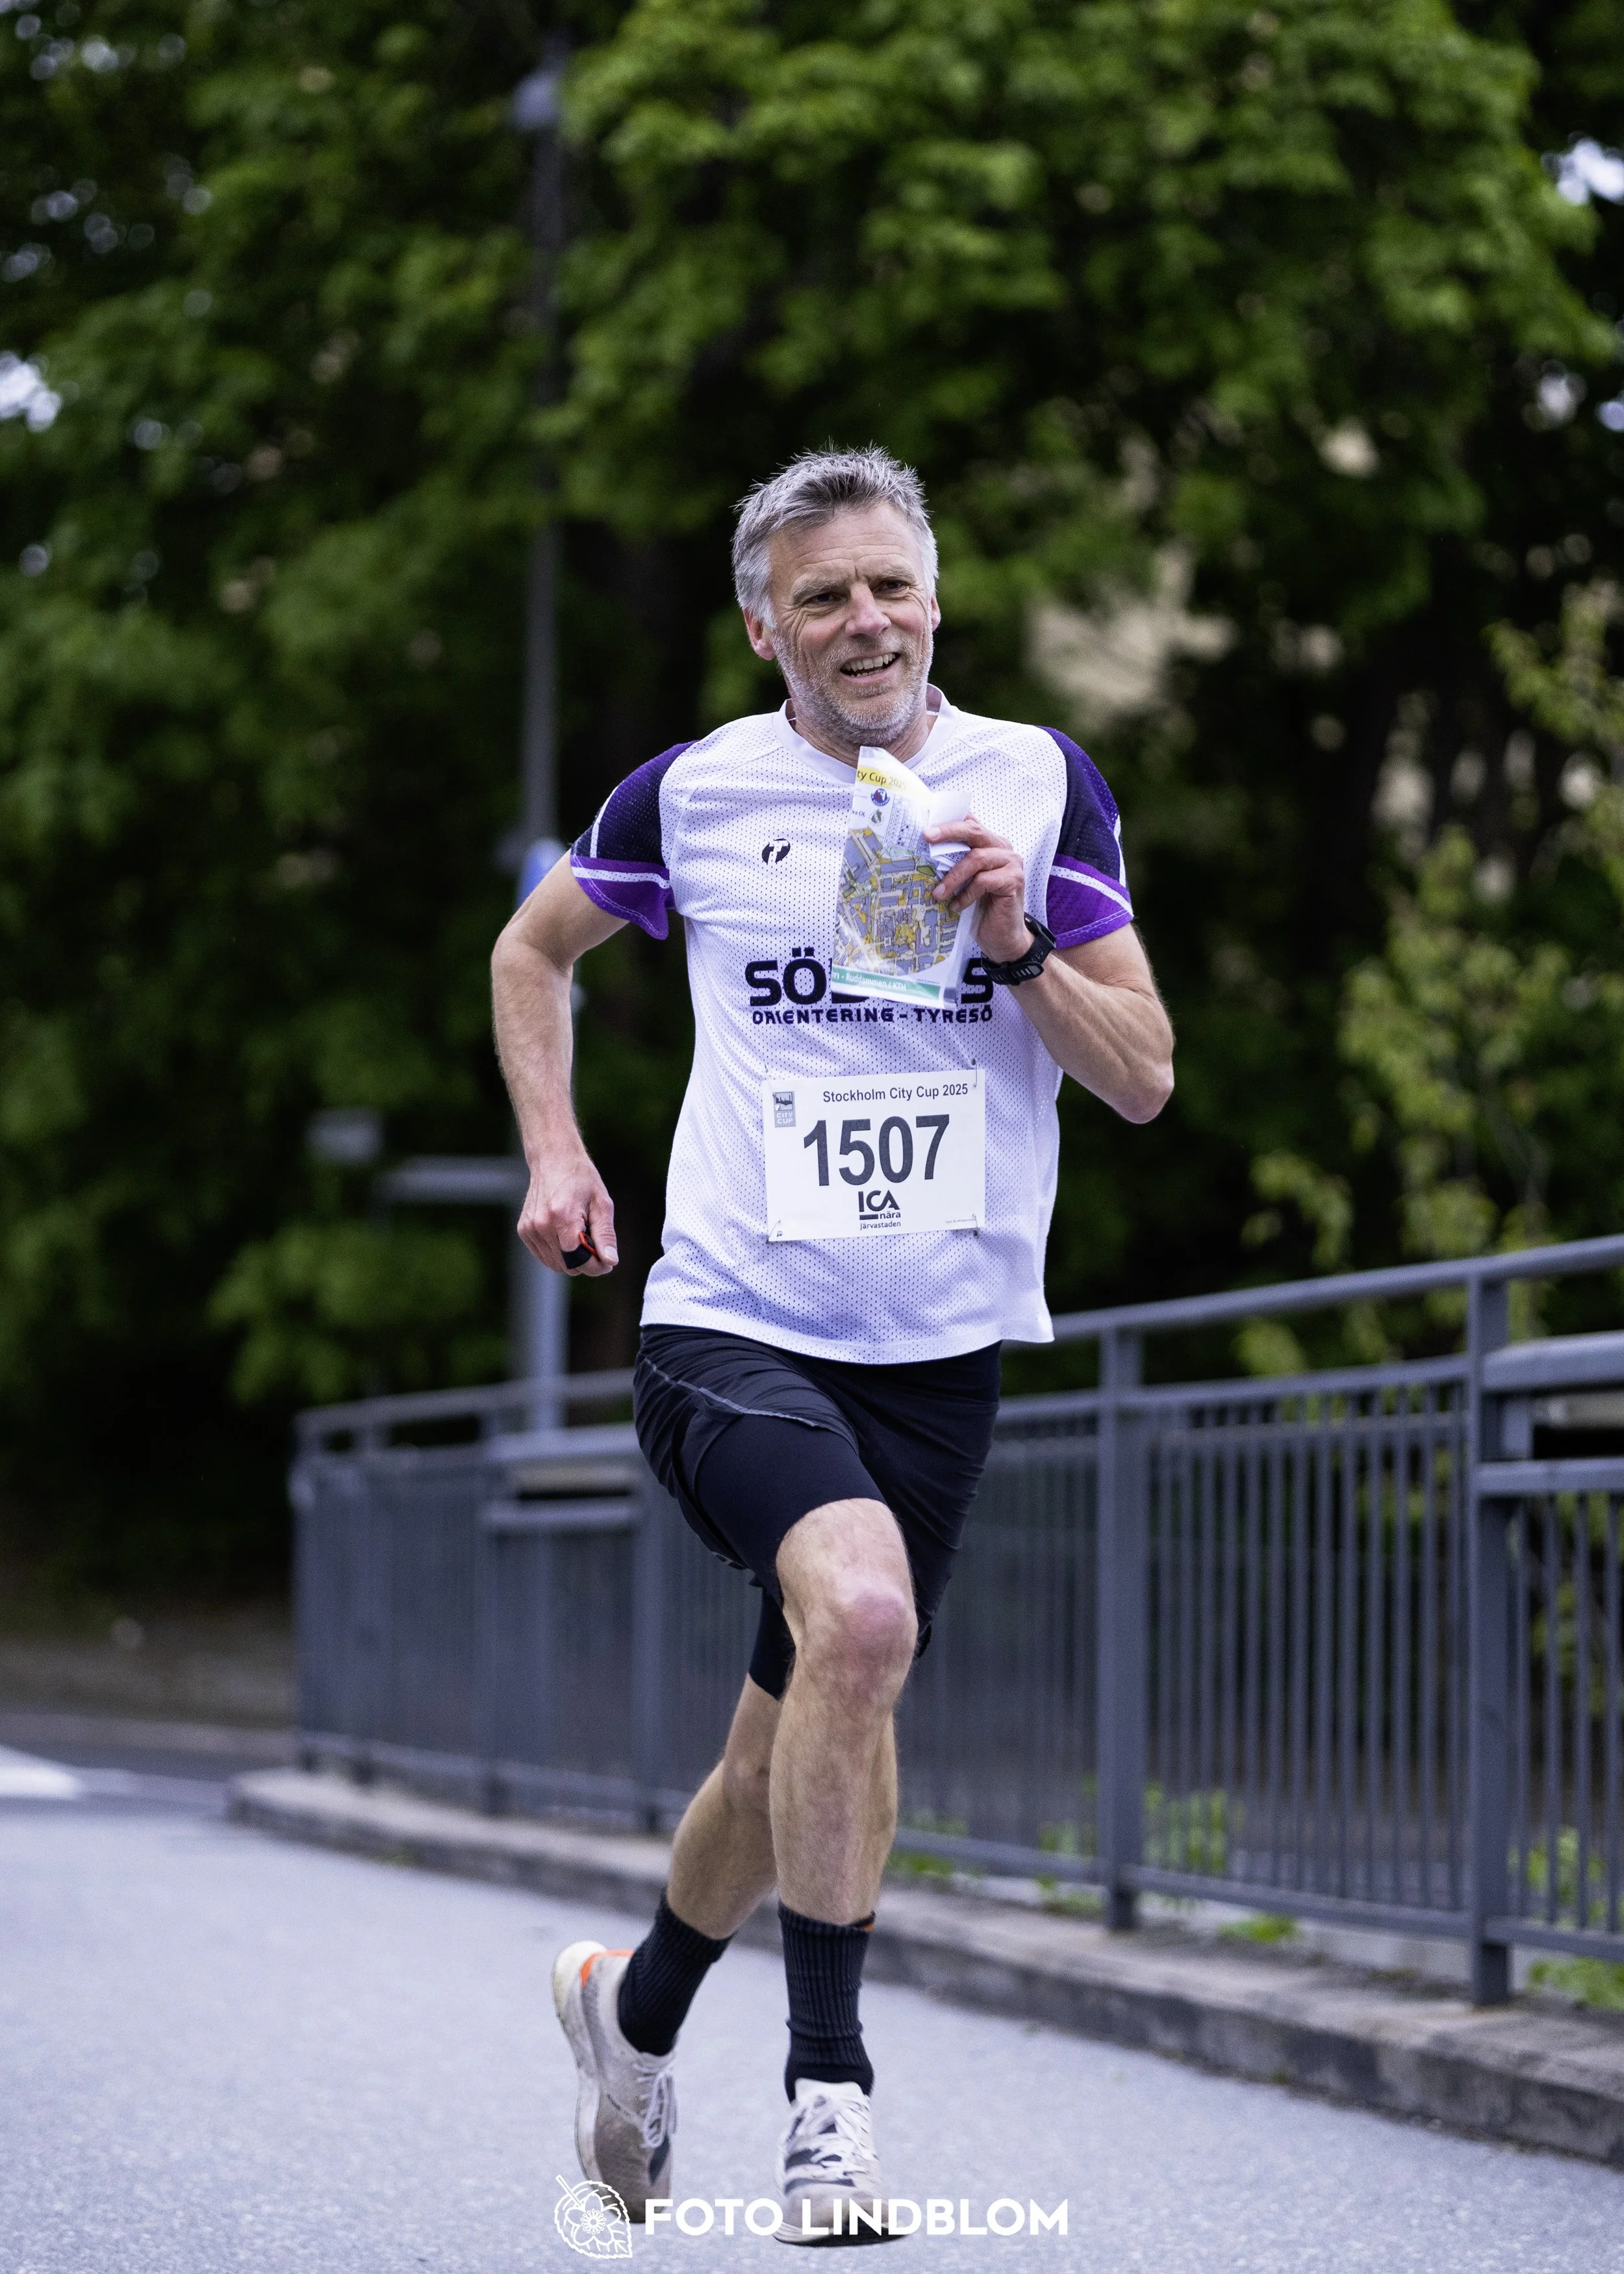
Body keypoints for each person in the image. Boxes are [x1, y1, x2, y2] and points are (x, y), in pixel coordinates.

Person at [490, 446, 1173, 2240]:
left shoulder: (1036, 783)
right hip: (732, 1316)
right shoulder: (695, 794)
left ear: (933, 597)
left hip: (938, 1348)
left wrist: (1016, 942)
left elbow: (1142, 1078)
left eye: (891, 585)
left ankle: (629, 2018)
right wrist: (558, 1155)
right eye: (822, 597)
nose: (865, 621)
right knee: (861, 1621)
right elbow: (531, 953)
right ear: (763, 628)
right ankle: (830, 2102)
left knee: (792, 1729)